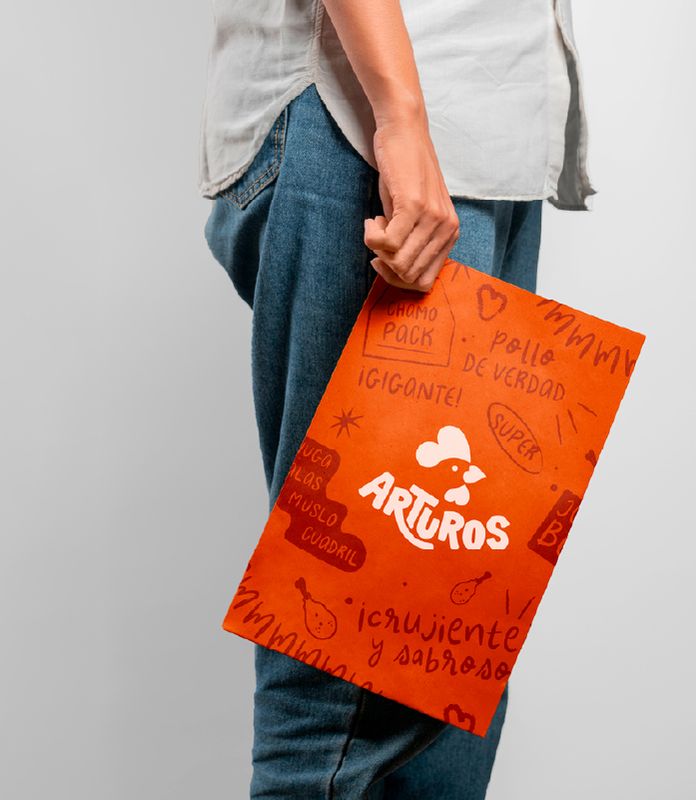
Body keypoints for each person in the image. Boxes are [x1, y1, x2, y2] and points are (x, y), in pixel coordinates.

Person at [200, 1, 594, 797]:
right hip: (373, 129)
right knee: (348, 668)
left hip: (475, 137)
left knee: (445, 657)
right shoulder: (394, 125)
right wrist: (402, 121)